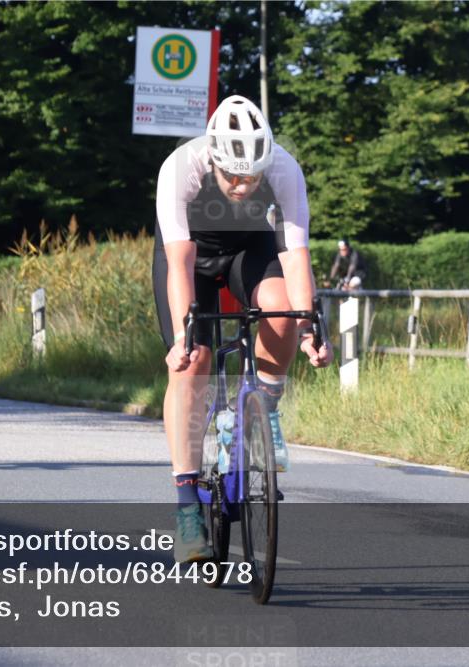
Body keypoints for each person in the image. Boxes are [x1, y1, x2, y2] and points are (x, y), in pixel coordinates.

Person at [154, 96, 333, 562]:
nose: (240, 185)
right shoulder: (180, 168)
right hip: (190, 257)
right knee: (195, 362)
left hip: (249, 250)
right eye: (231, 175)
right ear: (212, 158)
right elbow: (180, 263)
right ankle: (187, 504)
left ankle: (263, 413)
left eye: (250, 176)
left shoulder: (284, 169)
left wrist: (310, 325)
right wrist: (181, 338)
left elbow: (295, 257)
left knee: (281, 309)